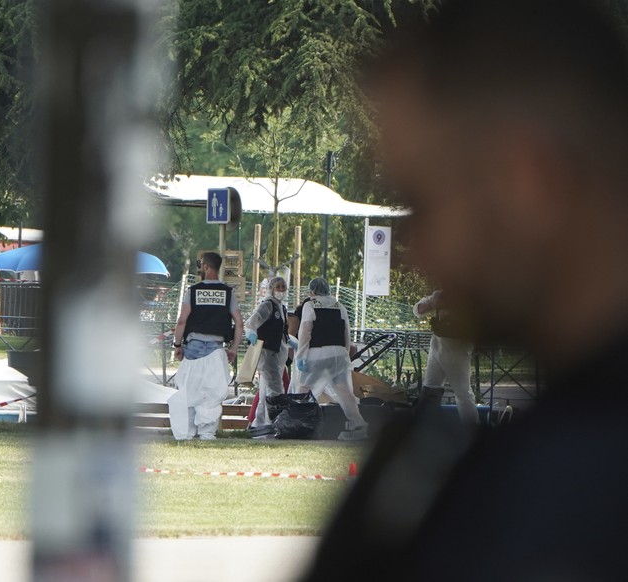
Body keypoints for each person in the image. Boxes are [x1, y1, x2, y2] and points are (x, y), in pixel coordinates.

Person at [302, 0, 628, 580]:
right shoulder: (544, 451)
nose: (416, 250)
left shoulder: (567, 486)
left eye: (423, 202)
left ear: (528, 179)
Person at [169, 252, 244, 440]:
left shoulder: (193, 291)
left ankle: (187, 432)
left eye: (201, 265)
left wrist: (177, 345)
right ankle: (207, 433)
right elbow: (239, 323)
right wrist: (233, 349)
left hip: (193, 347)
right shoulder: (228, 293)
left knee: (189, 390)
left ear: (206, 267)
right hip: (216, 347)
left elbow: (181, 322)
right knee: (211, 392)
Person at [293, 277, 367, 441]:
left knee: (304, 390)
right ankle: (358, 424)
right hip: (339, 355)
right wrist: (345, 354)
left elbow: (305, 332)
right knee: (344, 391)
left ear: (312, 291)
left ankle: (298, 424)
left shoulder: (310, 305)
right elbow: (346, 333)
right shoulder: (339, 306)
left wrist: (301, 356)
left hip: (317, 354)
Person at [414, 289, 480, 428]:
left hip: (457, 346)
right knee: (430, 387)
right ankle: (425, 428)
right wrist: (432, 302)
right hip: (438, 342)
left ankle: (472, 429)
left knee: (463, 393)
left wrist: (444, 302)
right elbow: (420, 308)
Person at [244, 276, 296, 435]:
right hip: (268, 354)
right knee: (276, 390)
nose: (281, 290)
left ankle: (259, 424)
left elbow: (282, 333)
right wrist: (251, 334)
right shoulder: (267, 306)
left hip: (278, 355)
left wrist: (293, 343)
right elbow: (251, 323)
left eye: (283, 287)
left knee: (266, 391)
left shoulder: (281, 308)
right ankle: (275, 424)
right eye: (278, 287)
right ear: (272, 288)